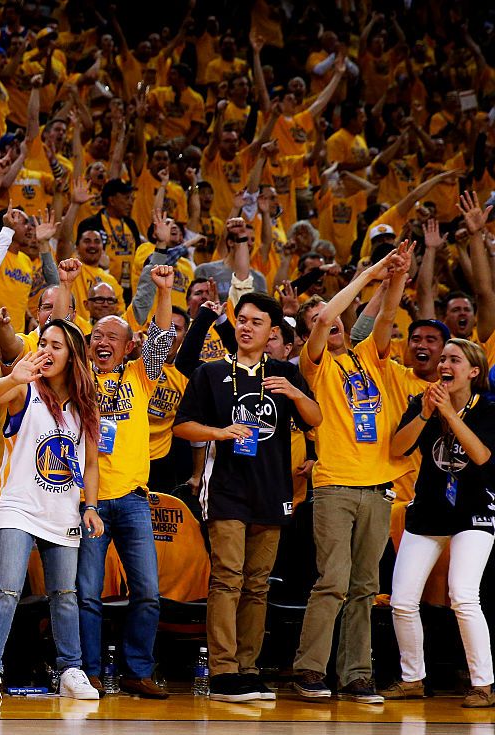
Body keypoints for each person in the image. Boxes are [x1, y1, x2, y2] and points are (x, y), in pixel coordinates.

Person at [173, 293, 322, 702]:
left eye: (256, 322)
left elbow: (315, 419)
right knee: (227, 578)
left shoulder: (283, 373)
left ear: (273, 331)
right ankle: (222, 672)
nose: (246, 326)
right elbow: (183, 426)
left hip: (272, 490)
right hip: (226, 489)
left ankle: (248, 668)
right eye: (241, 319)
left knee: (257, 585)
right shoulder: (211, 372)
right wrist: (219, 433)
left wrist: (293, 393)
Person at [291, 242, 414, 704]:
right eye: (322, 316)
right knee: (334, 581)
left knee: (366, 586)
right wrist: (369, 274)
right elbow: (325, 319)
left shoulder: (369, 355)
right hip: (335, 484)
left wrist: (396, 276)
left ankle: (356, 673)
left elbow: (385, 316)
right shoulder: (315, 365)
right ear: (309, 332)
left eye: (339, 312)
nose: (333, 318)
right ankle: (308, 670)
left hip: (378, 486)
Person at [0, 319, 103, 701]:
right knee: (7, 587)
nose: (46, 350)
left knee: (65, 593)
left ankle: (70, 670)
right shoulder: (24, 390)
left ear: (73, 355)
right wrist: (15, 376)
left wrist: (90, 506)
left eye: (56, 345)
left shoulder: (84, 404)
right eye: (42, 342)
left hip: (62, 510)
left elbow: (91, 463)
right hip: (17, 504)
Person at [74, 263, 178, 699]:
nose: (103, 342)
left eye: (112, 338)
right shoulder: (76, 378)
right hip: (87, 499)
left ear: (128, 346)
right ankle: (89, 672)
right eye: (97, 336)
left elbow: (163, 338)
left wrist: (164, 291)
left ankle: (137, 670)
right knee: (87, 595)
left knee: (149, 593)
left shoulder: (140, 375)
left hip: (134, 499)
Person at [383, 339, 495, 708]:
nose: (444, 364)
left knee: (463, 596)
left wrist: (448, 414)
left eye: (455, 360)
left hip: (473, 512)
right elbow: (398, 448)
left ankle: (483, 685)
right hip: (429, 511)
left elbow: (480, 456)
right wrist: (426, 414)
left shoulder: (489, 409)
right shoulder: (421, 404)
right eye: (443, 358)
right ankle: (412, 678)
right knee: (401, 600)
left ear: (473, 371)